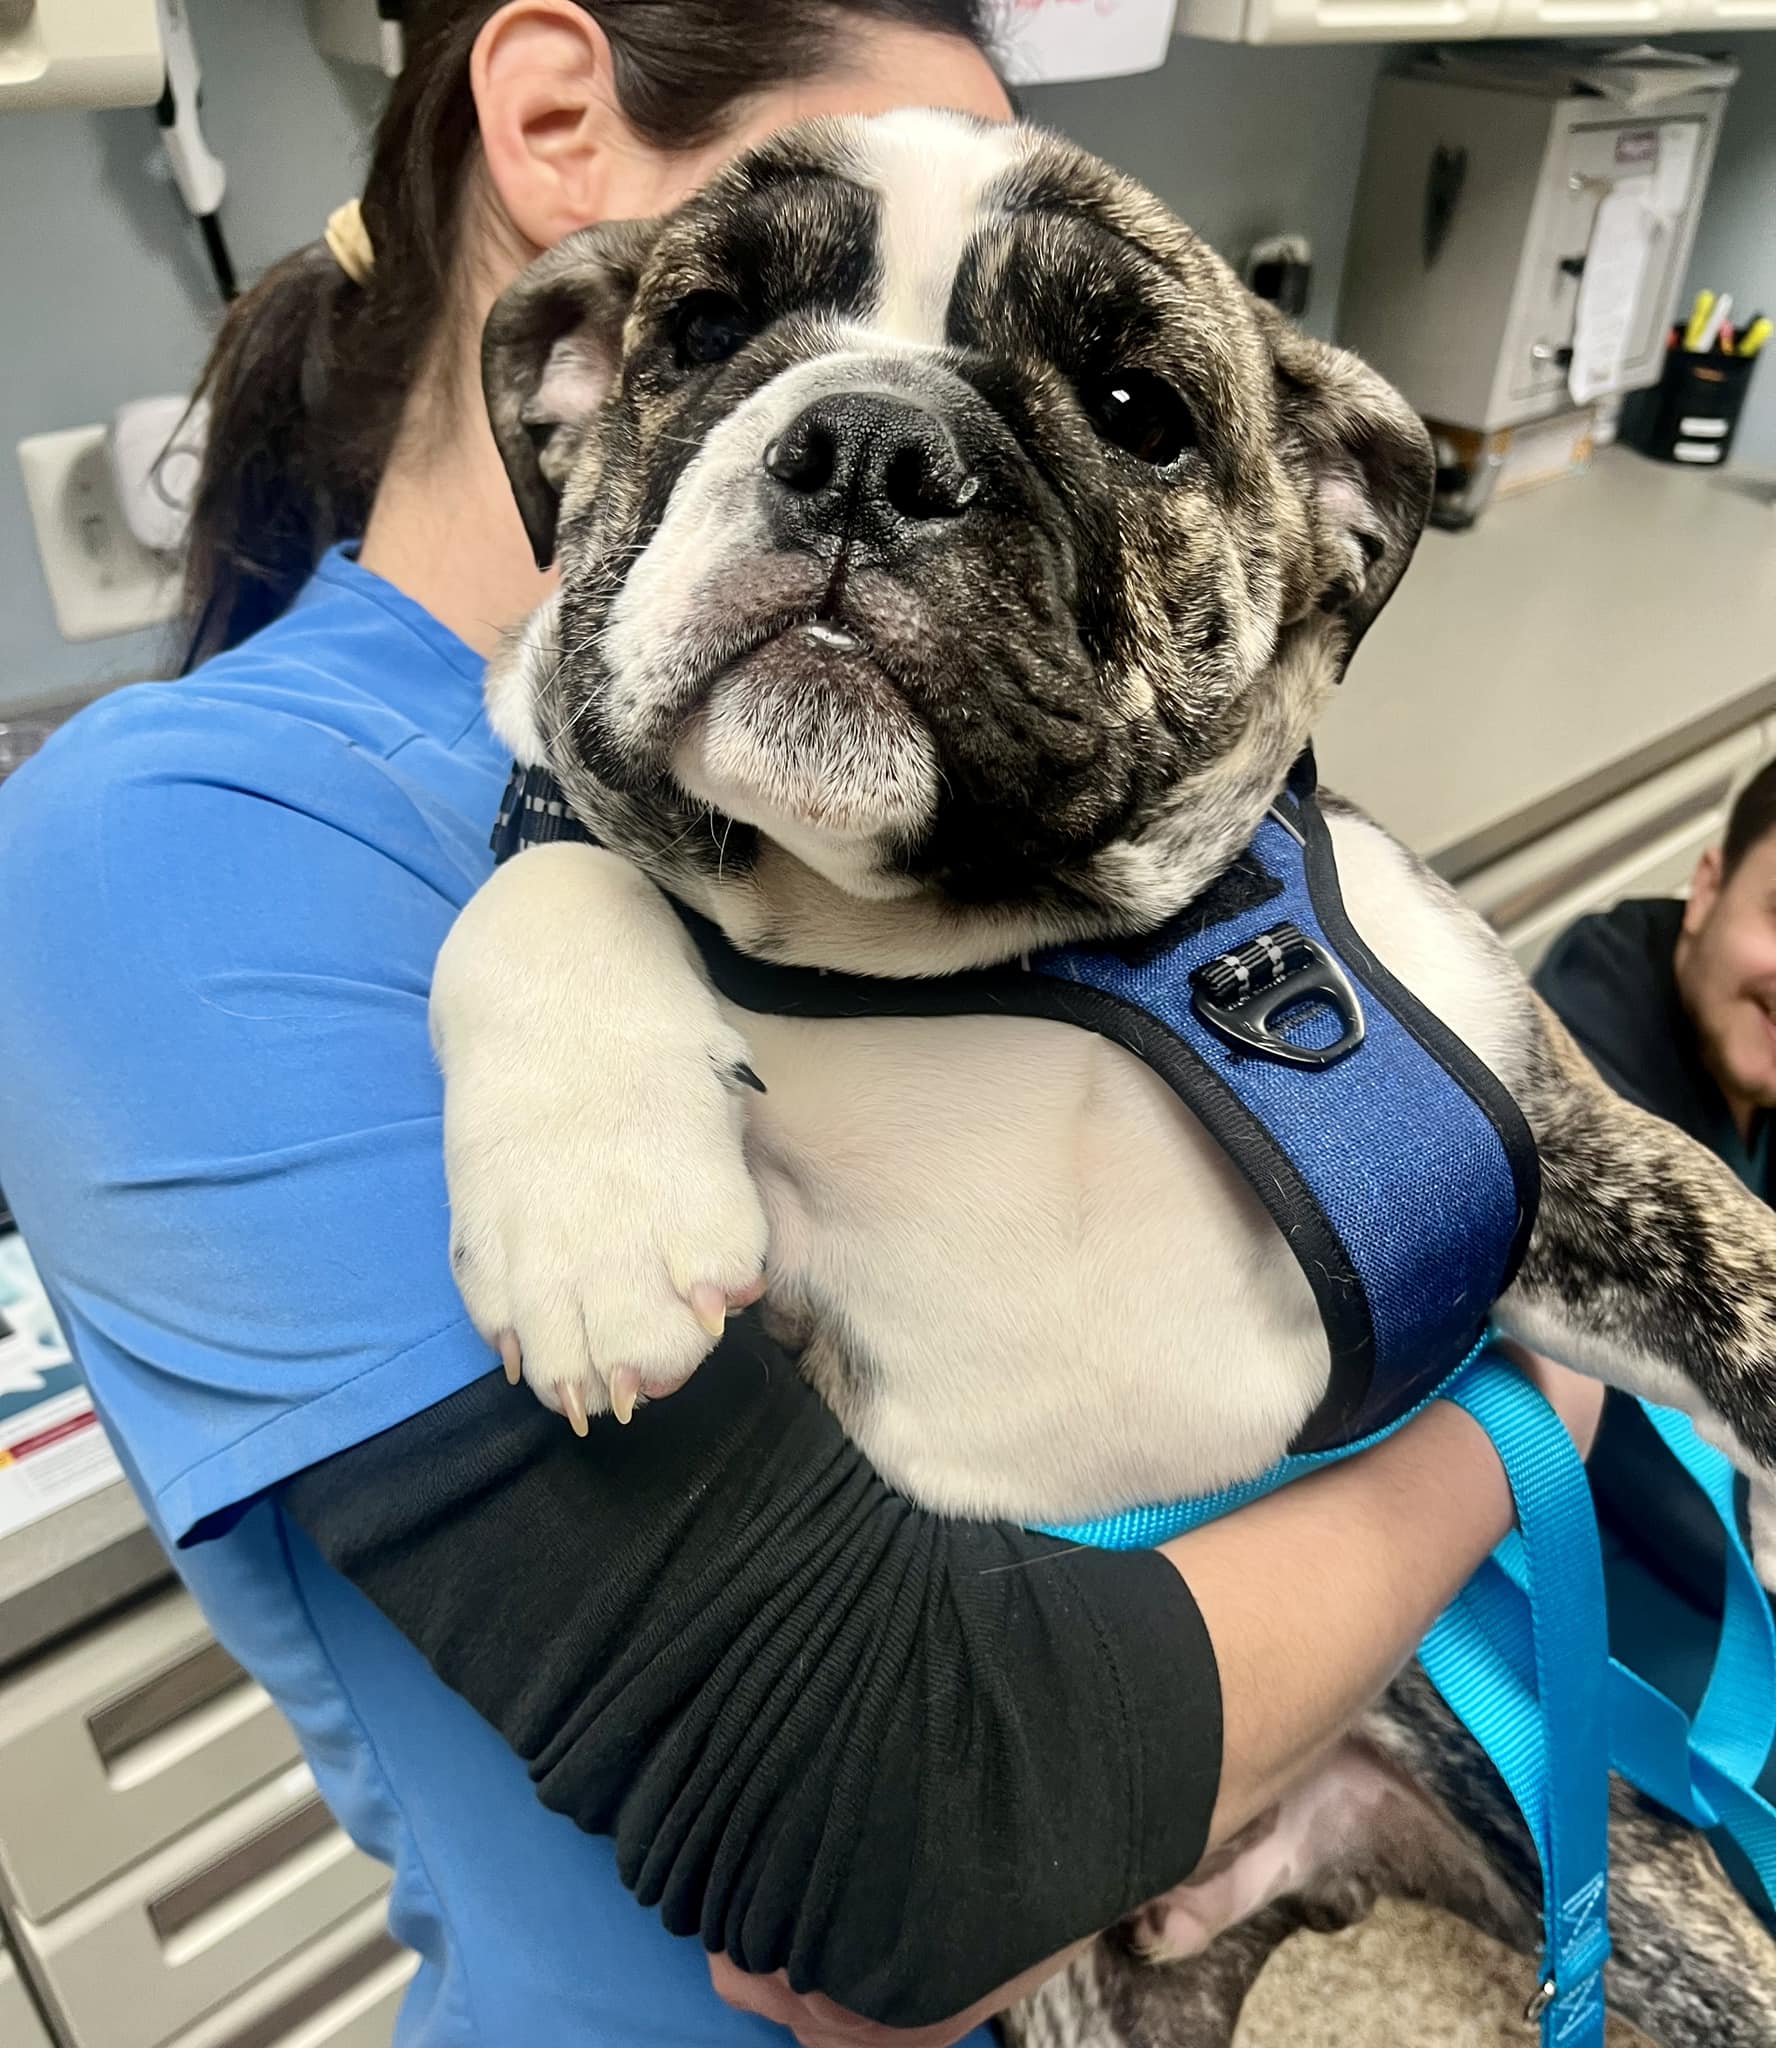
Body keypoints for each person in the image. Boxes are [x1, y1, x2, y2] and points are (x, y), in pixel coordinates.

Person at [0, 5, 1602, 2044]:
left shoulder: (1009, 766)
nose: (944, 411)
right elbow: (918, 1845)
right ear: (558, 120)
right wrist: (1535, 1406)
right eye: (862, 241)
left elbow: (1435, 1166)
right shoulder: (188, 849)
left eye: (1083, 371)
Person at [1536, 759, 1776, 1915]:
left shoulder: (1742, 1064)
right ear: (1707, 882)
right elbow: (1674, 1479)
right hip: (1617, 1571)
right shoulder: (1584, 1076)